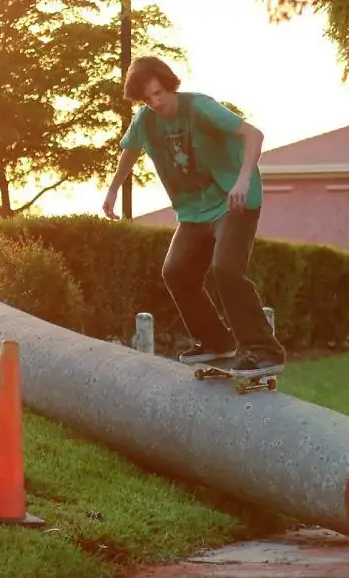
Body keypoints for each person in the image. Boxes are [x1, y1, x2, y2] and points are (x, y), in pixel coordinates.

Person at [102, 56, 286, 379]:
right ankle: (216, 341)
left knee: (226, 268)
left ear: (170, 85)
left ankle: (265, 350)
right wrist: (113, 189)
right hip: (194, 211)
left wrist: (243, 180)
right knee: (176, 271)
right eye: (147, 98)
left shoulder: (200, 107)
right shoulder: (145, 121)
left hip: (234, 202)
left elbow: (254, 135)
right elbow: (129, 150)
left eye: (159, 93)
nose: (155, 103)